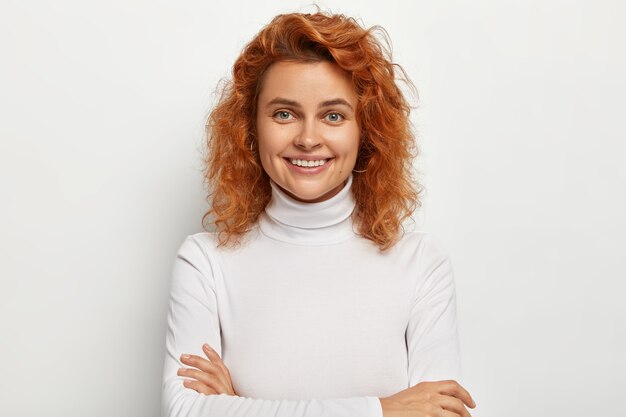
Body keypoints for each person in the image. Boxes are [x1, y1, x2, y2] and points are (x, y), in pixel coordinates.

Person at [161, 8, 477, 417]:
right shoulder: (205, 261)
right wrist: (383, 410)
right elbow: (186, 412)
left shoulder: (420, 264)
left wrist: (239, 407)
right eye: (284, 113)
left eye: (333, 115)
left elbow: (441, 414)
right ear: (250, 128)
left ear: (366, 130)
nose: (308, 138)